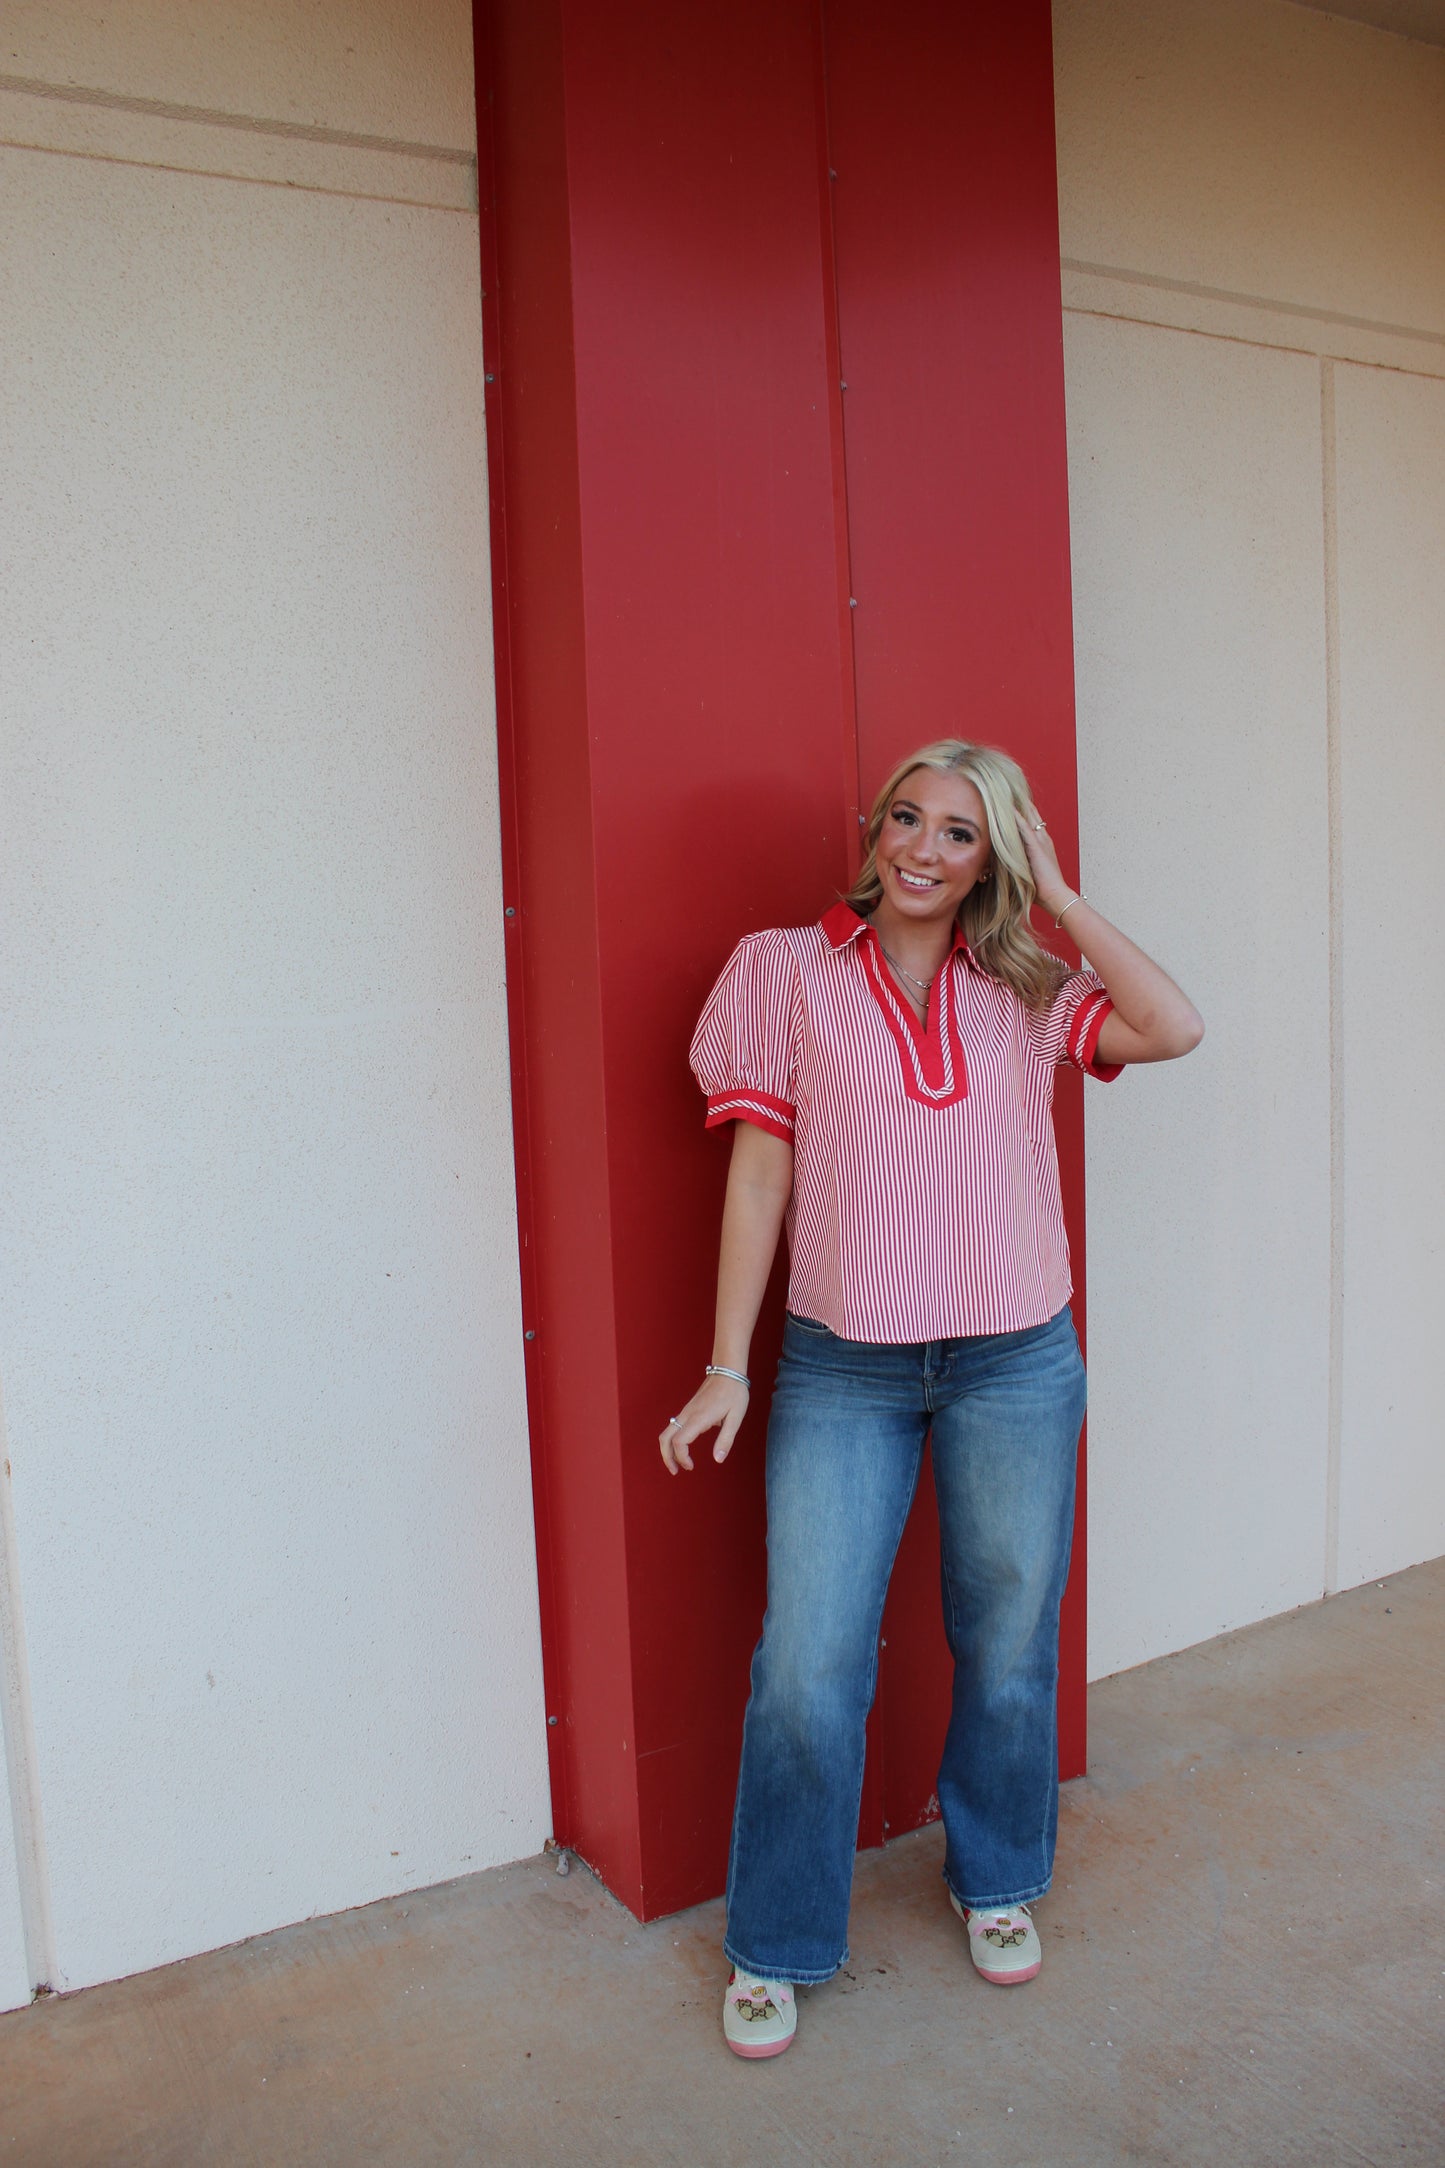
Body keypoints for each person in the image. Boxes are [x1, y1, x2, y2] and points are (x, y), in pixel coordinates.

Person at [659, 738, 1203, 2060]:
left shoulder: (1020, 981)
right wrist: (727, 1364)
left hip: (1017, 1357)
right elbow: (757, 1179)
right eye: (907, 817)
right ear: (874, 827)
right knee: (807, 1661)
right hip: (843, 1364)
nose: (922, 848)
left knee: (1008, 1635)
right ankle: (780, 1936)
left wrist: (1058, 899)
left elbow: (1171, 1027)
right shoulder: (779, 971)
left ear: (991, 857)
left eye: (960, 833)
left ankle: (996, 1877)